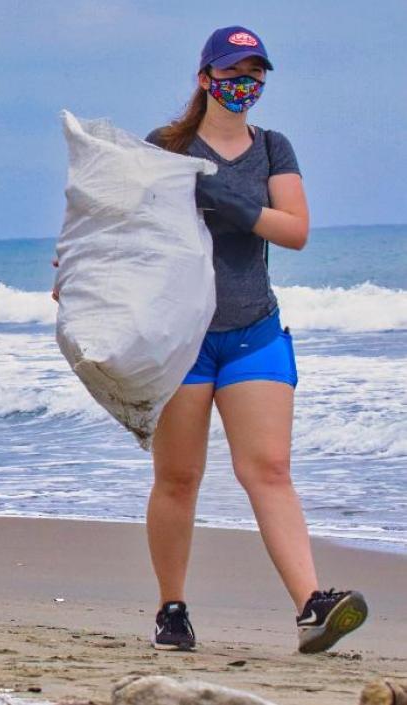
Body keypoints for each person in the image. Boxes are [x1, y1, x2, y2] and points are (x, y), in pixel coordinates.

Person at [143, 27, 366, 653]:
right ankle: (172, 609)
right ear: (205, 77)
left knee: (268, 470)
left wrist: (235, 206)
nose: (245, 85)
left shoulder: (272, 147)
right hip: (182, 339)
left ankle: (312, 607)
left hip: (255, 332)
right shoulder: (167, 147)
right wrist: (76, 272)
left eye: (255, 74)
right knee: (179, 478)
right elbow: (115, 223)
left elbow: (295, 231)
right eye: (233, 72)